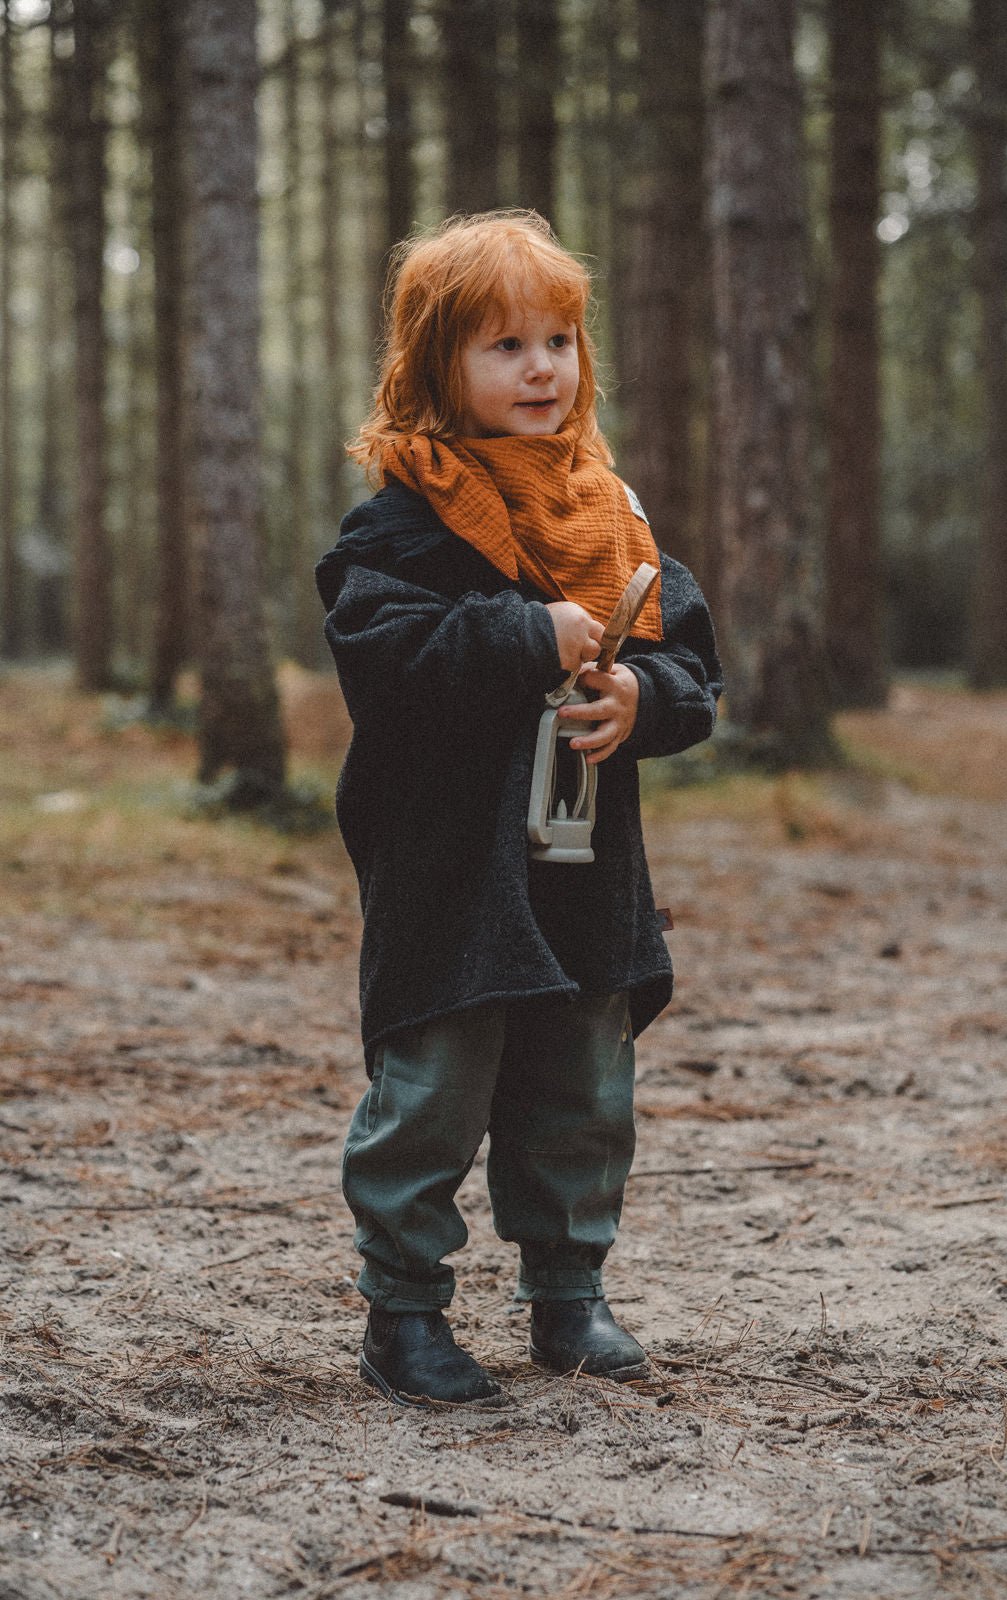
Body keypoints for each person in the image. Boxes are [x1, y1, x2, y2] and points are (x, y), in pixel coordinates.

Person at [315, 210, 723, 1406]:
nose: (540, 367)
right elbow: (379, 656)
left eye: (557, 340)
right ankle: (403, 1312)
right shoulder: (401, 520)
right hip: (451, 862)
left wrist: (642, 700)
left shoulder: (614, 514)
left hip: (584, 859)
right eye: (502, 346)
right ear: (433, 367)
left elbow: (693, 667)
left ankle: (568, 1292)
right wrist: (518, 632)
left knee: (580, 1082)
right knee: (435, 1080)